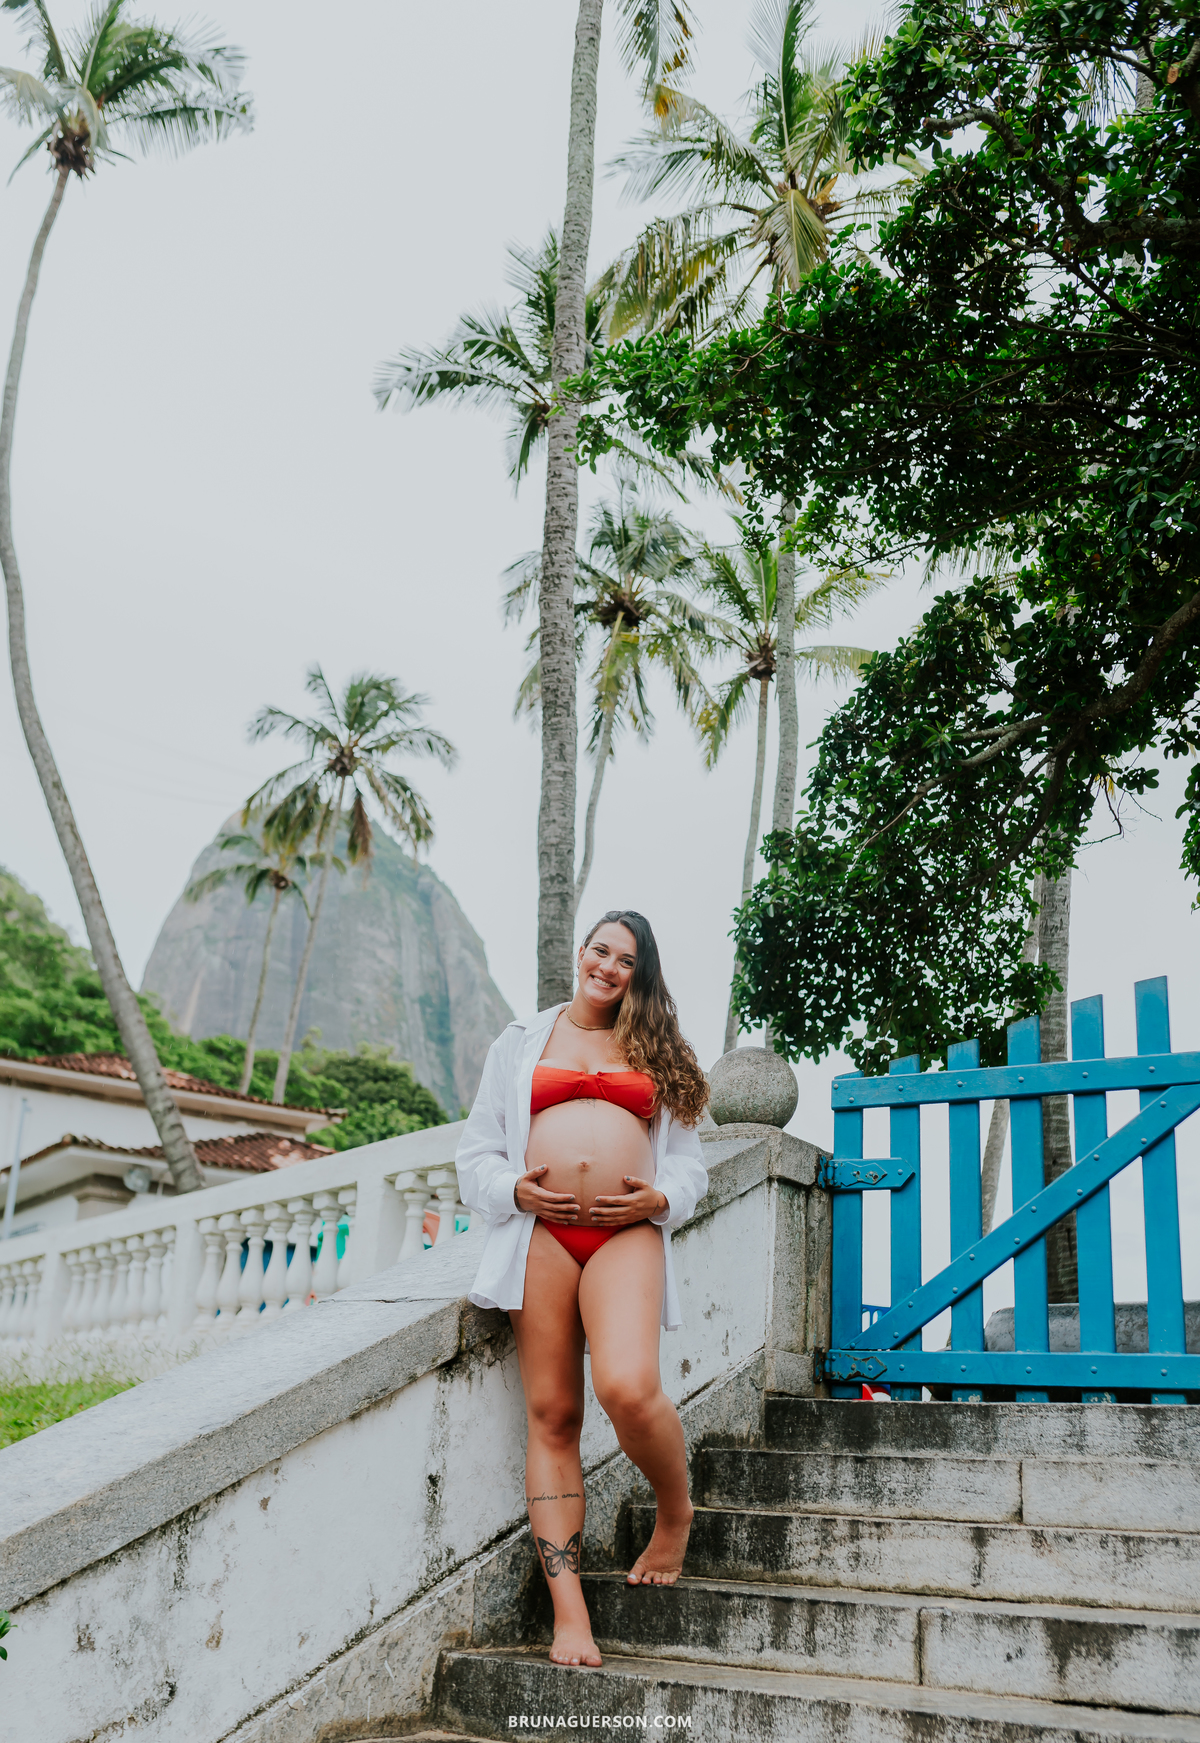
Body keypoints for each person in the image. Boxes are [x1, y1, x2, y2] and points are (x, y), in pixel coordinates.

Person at [456, 909, 709, 1669]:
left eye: (625, 958)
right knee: (553, 1413)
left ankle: (676, 1510)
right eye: (600, 949)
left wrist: (659, 1200)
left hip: (626, 1230)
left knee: (629, 1387)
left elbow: (690, 1162)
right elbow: (475, 1153)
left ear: (642, 972)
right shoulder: (519, 1041)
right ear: (581, 952)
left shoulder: (658, 1051)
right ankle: (572, 1615)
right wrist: (517, 1191)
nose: (607, 965)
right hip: (541, 1234)